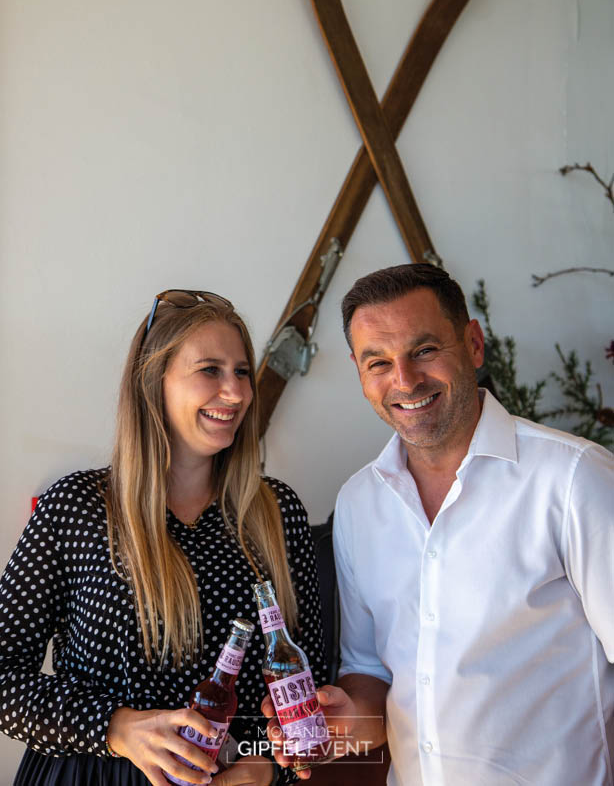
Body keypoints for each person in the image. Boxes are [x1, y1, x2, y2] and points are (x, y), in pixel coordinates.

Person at [266, 263, 614, 785]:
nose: (405, 380)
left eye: (424, 350)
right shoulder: (359, 503)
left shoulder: (573, 478)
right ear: (360, 373)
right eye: (378, 362)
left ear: (473, 344)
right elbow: (371, 673)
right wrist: (344, 722)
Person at [0, 289, 327, 786]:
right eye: (210, 370)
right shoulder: (76, 507)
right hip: (91, 774)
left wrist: (264, 767)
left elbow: (309, 687)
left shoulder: (278, 514)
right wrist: (116, 728)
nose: (236, 392)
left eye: (242, 371)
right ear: (153, 382)